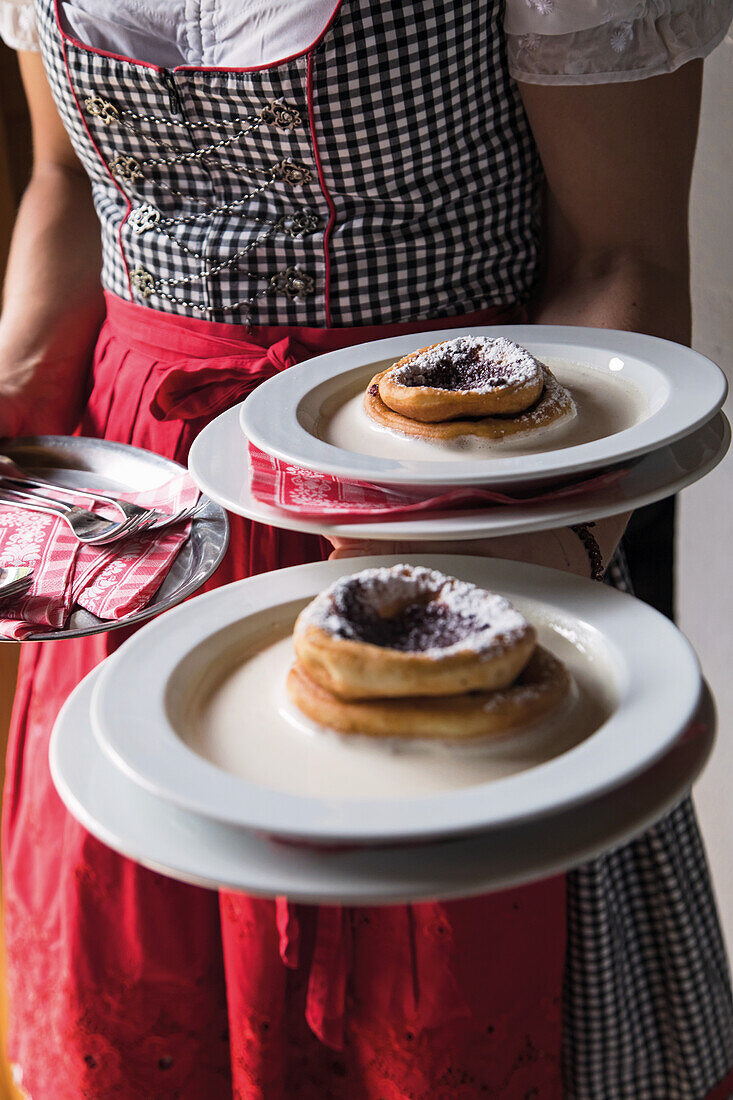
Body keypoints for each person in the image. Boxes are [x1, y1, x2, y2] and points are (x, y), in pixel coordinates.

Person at [0, 1, 731, 1097]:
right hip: (141, 534)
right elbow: (64, 184)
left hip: (448, 507)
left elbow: (616, 254)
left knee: (436, 981)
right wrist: (18, 427)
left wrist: (515, 575)